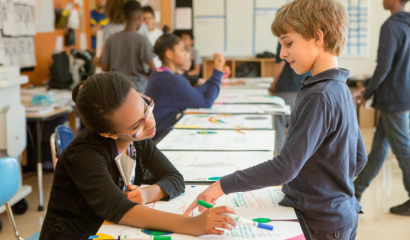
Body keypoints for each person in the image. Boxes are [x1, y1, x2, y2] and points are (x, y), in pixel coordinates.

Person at [183, 1, 367, 239]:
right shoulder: (341, 89)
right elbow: (359, 158)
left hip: (321, 222)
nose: (281, 53)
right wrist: (329, 186)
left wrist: (221, 186)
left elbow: (285, 168)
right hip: (341, 214)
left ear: (318, 37)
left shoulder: (319, 95)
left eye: (288, 42)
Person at [39, 72, 237, 240]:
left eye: (146, 107)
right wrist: (192, 225)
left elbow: (175, 179)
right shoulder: (84, 155)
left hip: (110, 229)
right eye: (136, 126)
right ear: (109, 134)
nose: (150, 124)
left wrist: (147, 193)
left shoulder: (138, 140)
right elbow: (120, 209)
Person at [353, 0, 410, 216]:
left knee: (402, 148)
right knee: (379, 149)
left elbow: (384, 66)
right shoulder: (406, 24)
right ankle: (355, 193)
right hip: (401, 96)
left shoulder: (391, 26)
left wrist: (366, 91)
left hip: (393, 98)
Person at [145, 26, 224, 141]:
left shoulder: (159, 74)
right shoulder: (172, 81)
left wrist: (216, 75)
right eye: (182, 50)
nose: (185, 54)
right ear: (169, 54)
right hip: (160, 138)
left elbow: (194, 93)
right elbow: (206, 101)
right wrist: (217, 71)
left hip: (153, 136)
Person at [102, 1, 155, 92]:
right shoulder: (141, 40)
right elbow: (152, 67)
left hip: (116, 88)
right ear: (139, 18)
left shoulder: (111, 39)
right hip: (137, 89)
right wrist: (146, 75)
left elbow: (104, 67)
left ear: (124, 17)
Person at [270, 42, 310, 152]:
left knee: (278, 129)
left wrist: (273, 84)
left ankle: (277, 157)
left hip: (286, 88)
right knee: (300, 131)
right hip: (306, 87)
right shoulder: (308, 36)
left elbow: (280, 63)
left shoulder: (285, 37)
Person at [94, 0, 149, 66]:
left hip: (116, 73)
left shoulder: (108, 29)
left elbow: (104, 61)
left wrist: (96, 61)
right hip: (138, 73)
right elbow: (148, 56)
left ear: (110, 8)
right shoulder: (142, 27)